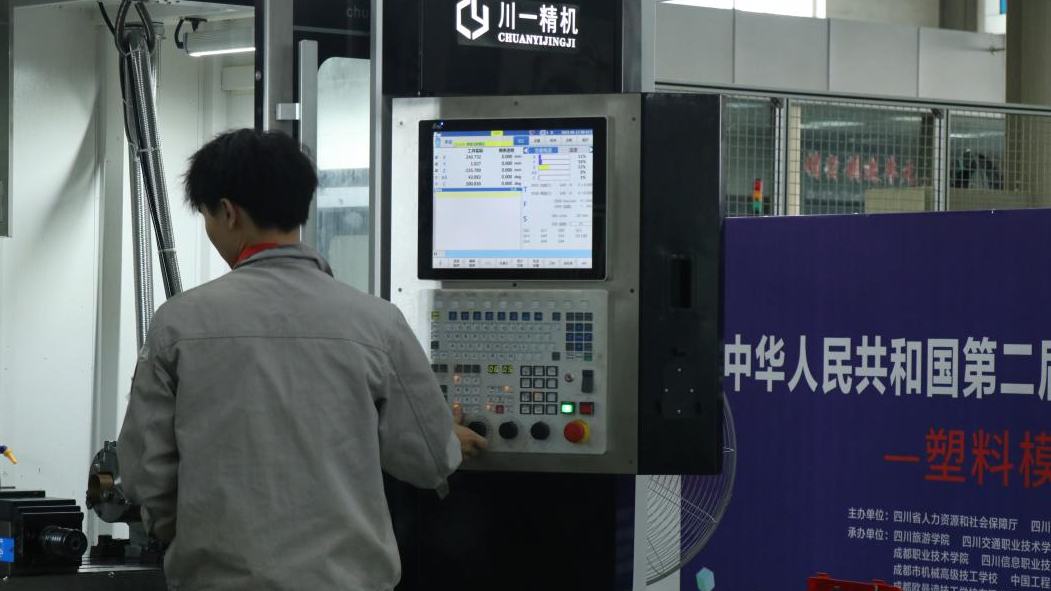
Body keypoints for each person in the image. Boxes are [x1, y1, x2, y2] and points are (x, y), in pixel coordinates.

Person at [117, 128, 488, 591]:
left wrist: (193, 536)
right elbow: (429, 460)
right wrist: (448, 437)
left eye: (207, 216)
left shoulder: (178, 324)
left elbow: (144, 473)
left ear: (228, 212)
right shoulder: (377, 322)